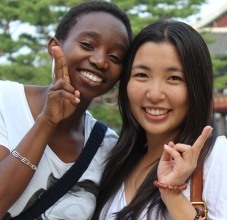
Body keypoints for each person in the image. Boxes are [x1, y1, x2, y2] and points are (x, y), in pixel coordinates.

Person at [93, 19, 227, 220]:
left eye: (174, 78)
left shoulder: (219, 157)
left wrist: (173, 194)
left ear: (197, 88)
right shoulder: (118, 159)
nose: (154, 94)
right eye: (142, 75)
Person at [0, 1, 132, 219]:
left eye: (115, 57)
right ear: (55, 47)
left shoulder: (108, 147)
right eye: (88, 45)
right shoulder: (5, 100)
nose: (100, 61)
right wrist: (47, 121)